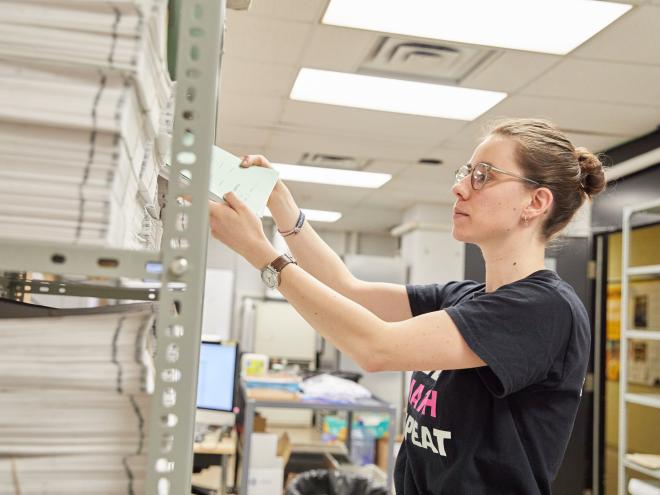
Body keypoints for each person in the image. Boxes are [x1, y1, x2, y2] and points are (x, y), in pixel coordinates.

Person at [208, 118, 606, 495]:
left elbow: (377, 348)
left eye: (483, 175)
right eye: (465, 172)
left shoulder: (544, 309)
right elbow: (348, 289)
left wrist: (260, 254)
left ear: (535, 202)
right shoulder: (465, 298)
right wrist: (279, 201)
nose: (461, 188)